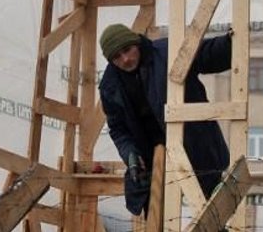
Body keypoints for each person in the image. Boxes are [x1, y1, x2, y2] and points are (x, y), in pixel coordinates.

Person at [98, 23, 231, 217]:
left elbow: (205, 54)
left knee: (213, 218)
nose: (125, 59)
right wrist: (130, 155)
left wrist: (229, 43)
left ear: (136, 43)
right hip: (154, 163)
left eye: (127, 50)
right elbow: (118, 129)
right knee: (159, 228)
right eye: (117, 57)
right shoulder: (110, 86)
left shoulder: (167, 52)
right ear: (111, 61)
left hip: (195, 147)